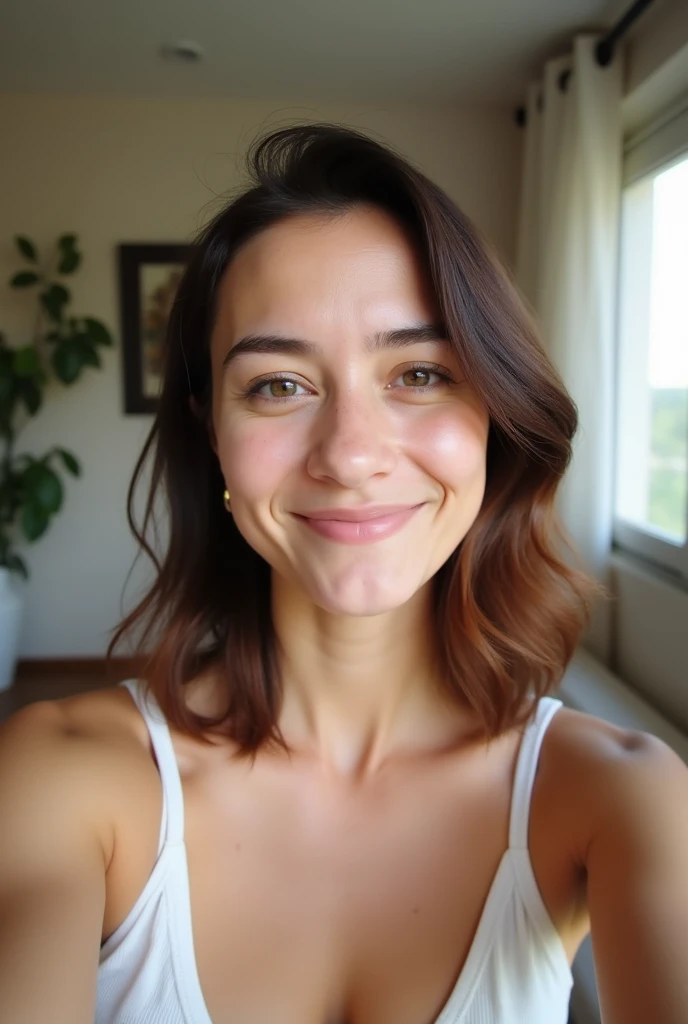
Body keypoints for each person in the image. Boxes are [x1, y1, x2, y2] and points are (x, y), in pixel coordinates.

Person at [1, 124, 686, 1024]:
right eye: (279, 384)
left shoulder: (620, 796)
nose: (352, 455)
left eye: (419, 373)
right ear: (213, 430)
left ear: (496, 410)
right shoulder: (58, 778)